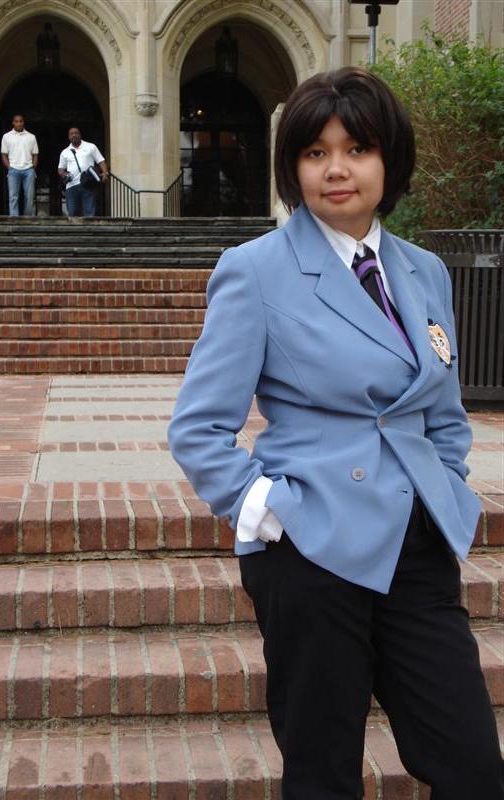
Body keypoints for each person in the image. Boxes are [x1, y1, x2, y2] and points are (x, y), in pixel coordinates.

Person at [168, 68, 504, 799]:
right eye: (315, 153)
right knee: (322, 772)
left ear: (390, 160)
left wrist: (443, 486)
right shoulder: (256, 270)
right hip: (310, 549)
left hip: (414, 546)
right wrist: (266, 510)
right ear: (293, 167)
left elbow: (443, 412)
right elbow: (198, 426)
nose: (336, 169)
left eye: (357, 149)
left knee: (473, 765)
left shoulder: (423, 270)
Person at [58, 127, 108, 217]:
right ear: (69, 137)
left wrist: (105, 173)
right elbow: (60, 169)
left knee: (89, 212)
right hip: (71, 186)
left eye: (76, 133)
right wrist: (64, 174)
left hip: (88, 183)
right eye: (71, 134)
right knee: (72, 213)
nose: (74, 135)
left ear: (80, 135)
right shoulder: (64, 152)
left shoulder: (91, 147)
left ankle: (89, 227)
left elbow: (101, 161)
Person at [0, 114, 39, 216]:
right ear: (13, 123)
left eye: (21, 121)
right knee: (13, 196)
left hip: (28, 170)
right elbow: (4, 154)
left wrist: (33, 168)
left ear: (23, 122)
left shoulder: (31, 137)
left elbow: (35, 154)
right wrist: (9, 167)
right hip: (13, 170)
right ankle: (14, 218)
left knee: (29, 197)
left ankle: (28, 218)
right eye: (16, 121)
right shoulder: (6, 136)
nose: (19, 123)